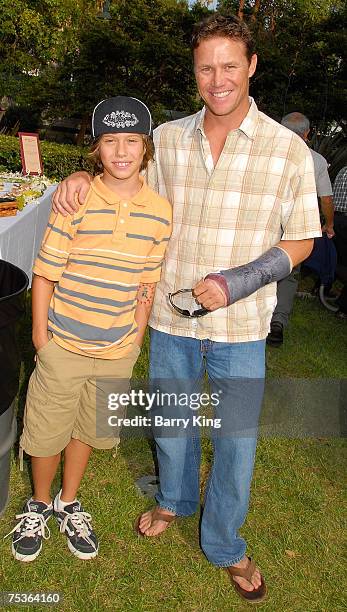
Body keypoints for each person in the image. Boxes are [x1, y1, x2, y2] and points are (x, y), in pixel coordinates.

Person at [52, 15, 321, 603]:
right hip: (170, 318)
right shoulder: (168, 138)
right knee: (172, 425)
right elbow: (118, 175)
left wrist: (240, 280)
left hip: (243, 326)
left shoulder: (288, 150)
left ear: (251, 66)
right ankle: (173, 500)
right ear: (194, 72)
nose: (217, 78)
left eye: (230, 65)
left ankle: (224, 541)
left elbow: (302, 239)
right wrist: (79, 173)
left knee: (236, 440)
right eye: (206, 67)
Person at [6, 96, 172, 563]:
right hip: (63, 343)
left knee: (88, 429)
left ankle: (68, 501)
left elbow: (147, 280)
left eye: (132, 140)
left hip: (116, 349)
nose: (122, 151)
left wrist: (135, 338)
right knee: (45, 430)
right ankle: (39, 503)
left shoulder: (160, 211)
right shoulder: (75, 199)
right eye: (110, 141)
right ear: (96, 149)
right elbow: (45, 272)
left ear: (146, 147)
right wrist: (42, 338)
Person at [267, 111, 334, 347]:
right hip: (296, 226)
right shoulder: (316, 160)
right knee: (289, 274)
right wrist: (329, 224)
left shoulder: (266, 152)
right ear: (307, 133)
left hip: (266, 222)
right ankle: (277, 323)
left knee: (258, 267)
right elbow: (325, 198)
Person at [333, 166, 347, 319]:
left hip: (336, 219)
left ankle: (320, 288)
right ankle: (343, 309)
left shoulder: (343, 170)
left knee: (335, 254)